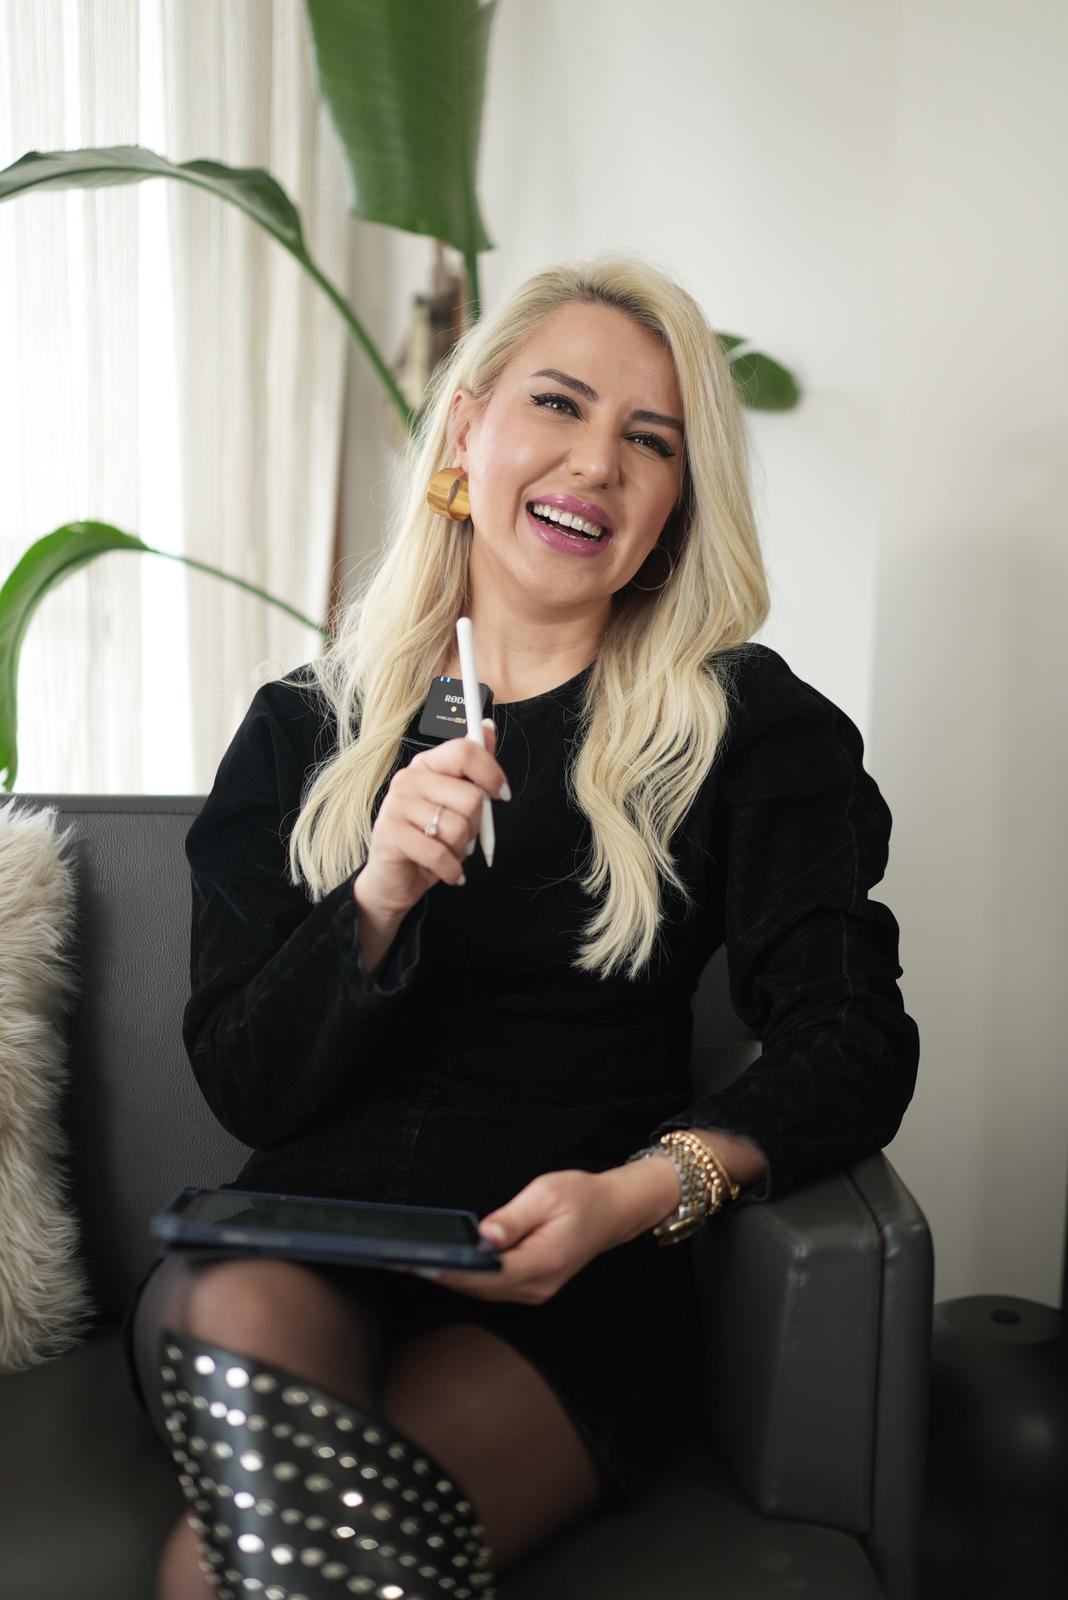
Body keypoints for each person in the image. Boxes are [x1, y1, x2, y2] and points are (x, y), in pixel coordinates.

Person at [124, 254, 920, 1600]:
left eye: (650, 440)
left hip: (570, 1277)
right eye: (558, 403)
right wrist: (378, 893)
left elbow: (853, 1040)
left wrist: (635, 1195)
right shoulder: (303, 728)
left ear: (676, 502)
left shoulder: (747, 730)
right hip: (296, 1247)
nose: (596, 461)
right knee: (258, 1373)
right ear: (466, 430)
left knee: (230, 1575)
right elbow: (246, 1081)